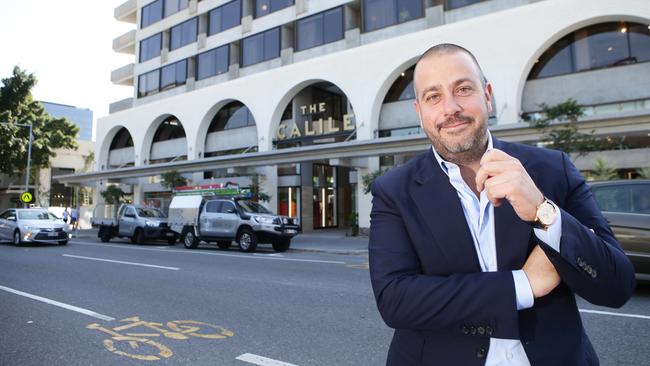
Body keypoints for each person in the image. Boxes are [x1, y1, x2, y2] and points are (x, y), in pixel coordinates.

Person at [368, 43, 635, 366]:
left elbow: (617, 286)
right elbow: (396, 300)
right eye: (433, 96)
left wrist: (543, 212)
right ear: (420, 112)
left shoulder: (552, 169)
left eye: (463, 89)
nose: (450, 107)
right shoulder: (394, 191)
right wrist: (522, 284)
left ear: (487, 95)